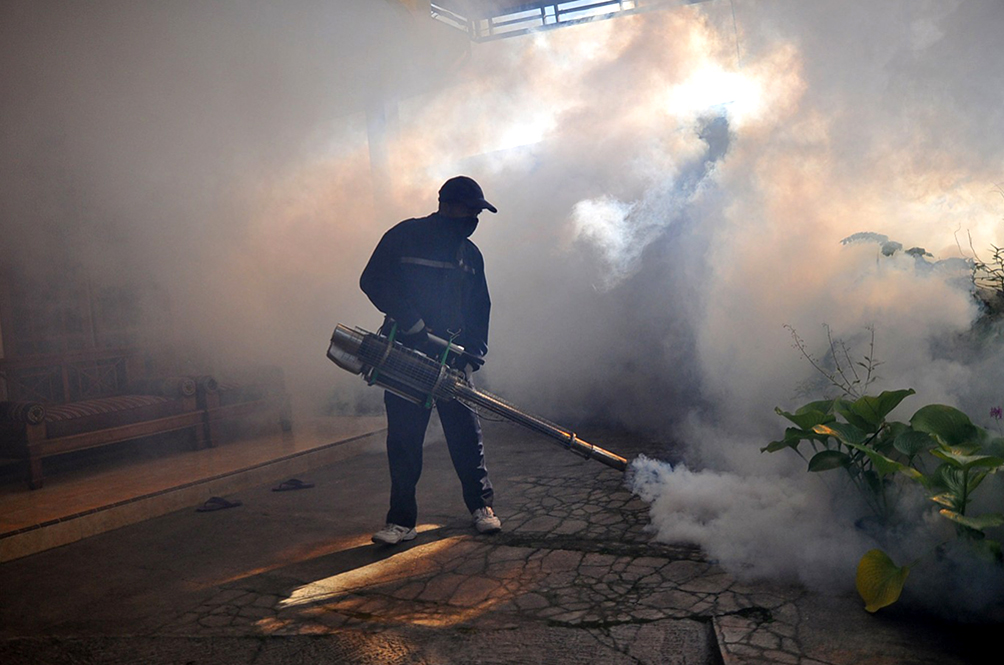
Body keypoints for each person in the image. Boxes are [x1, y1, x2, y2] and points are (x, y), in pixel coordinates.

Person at [360, 175, 501, 545]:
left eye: (478, 212)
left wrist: (475, 350)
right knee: (404, 438)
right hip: (408, 351)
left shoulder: (471, 255)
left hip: (452, 356)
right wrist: (412, 321)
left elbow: (480, 306)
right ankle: (402, 522)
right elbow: (372, 280)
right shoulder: (405, 236)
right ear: (448, 206)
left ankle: (481, 506)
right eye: (471, 210)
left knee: (466, 434)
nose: (474, 218)